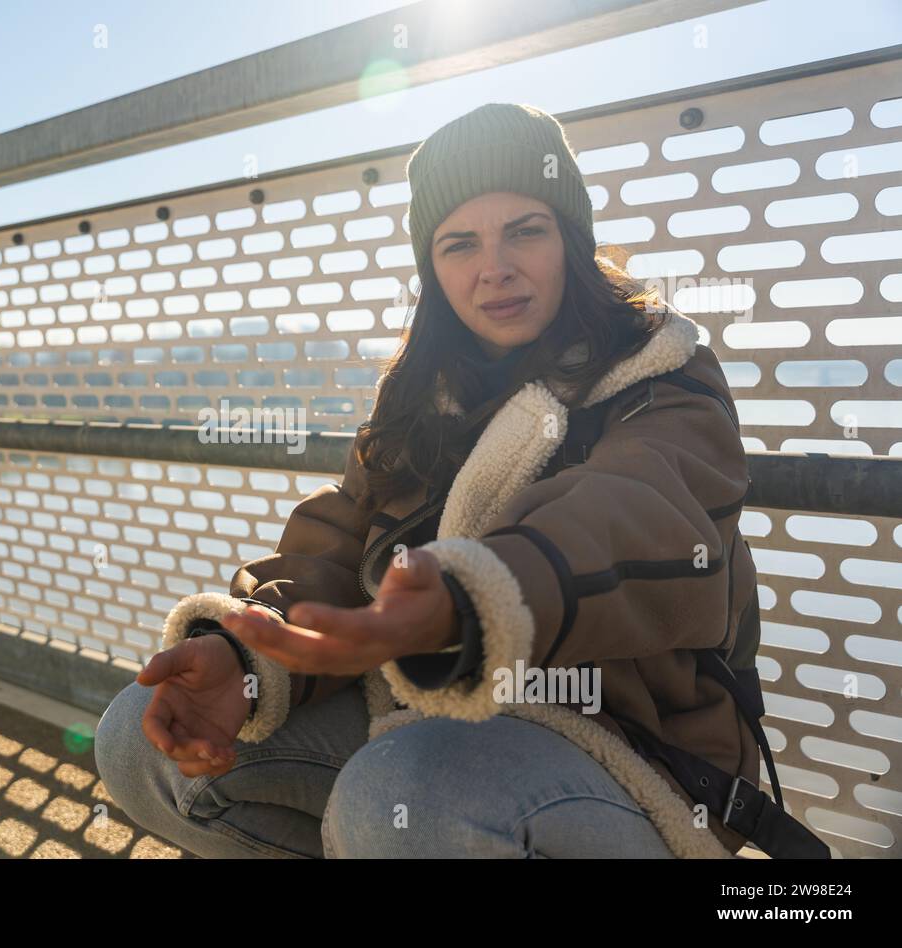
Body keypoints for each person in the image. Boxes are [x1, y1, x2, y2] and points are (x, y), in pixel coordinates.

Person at [93, 102, 823, 859]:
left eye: (526, 231)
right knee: (136, 739)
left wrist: (465, 603)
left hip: (631, 750)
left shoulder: (662, 372)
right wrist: (247, 659)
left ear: (571, 238)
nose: (494, 268)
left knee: (403, 791)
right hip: (418, 723)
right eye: (459, 243)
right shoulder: (416, 395)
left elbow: (643, 511)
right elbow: (340, 555)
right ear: (431, 268)